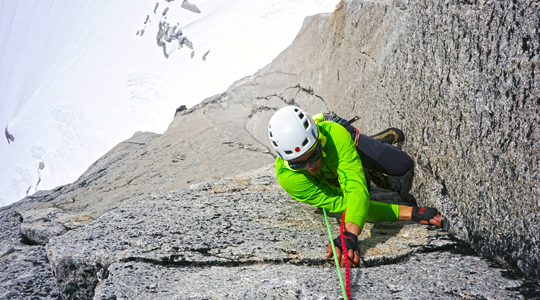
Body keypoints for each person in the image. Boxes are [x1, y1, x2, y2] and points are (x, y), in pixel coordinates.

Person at [268, 106, 443, 268]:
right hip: (328, 170)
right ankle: (357, 161)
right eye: (299, 164)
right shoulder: (288, 178)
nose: (310, 167)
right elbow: (344, 204)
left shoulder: (333, 135)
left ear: (319, 141)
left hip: (339, 143)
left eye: (313, 155)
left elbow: (355, 189)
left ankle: (359, 144)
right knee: (362, 192)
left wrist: (349, 234)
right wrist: (409, 212)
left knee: (400, 165)